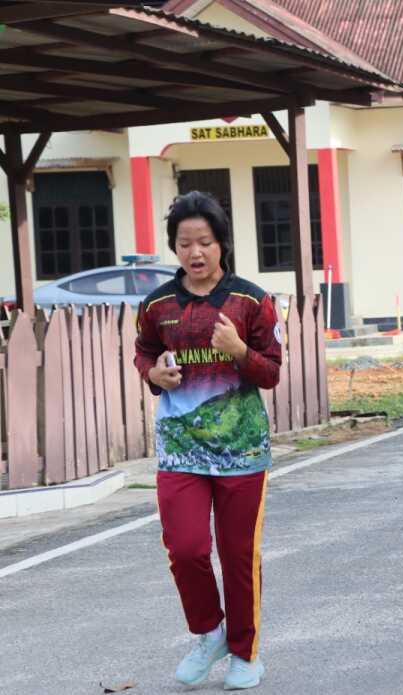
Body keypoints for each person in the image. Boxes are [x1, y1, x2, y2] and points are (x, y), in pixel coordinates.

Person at [134, 191, 282, 690]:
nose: (195, 253)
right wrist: (154, 373)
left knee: (238, 554)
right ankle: (209, 633)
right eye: (184, 244)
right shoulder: (156, 304)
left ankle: (246, 651)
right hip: (180, 448)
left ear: (222, 244)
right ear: (174, 248)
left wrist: (239, 349)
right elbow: (145, 354)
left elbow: (270, 373)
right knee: (186, 547)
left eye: (205, 242)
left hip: (241, 451)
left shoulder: (250, 301)